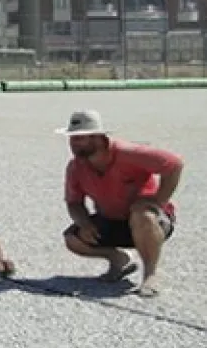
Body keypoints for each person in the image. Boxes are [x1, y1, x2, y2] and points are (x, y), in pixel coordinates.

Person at [56, 110, 183, 297]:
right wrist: (84, 223)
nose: (73, 144)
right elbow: (74, 203)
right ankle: (119, 260)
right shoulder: (76, 167)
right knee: (72, 239)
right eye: (72, 138)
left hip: (150, 223)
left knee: (142, 214)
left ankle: (150, 274)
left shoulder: (129, 153)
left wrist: (159, 201)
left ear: (98, 138)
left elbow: (174, 164)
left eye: (79, 138)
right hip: (112, 220)